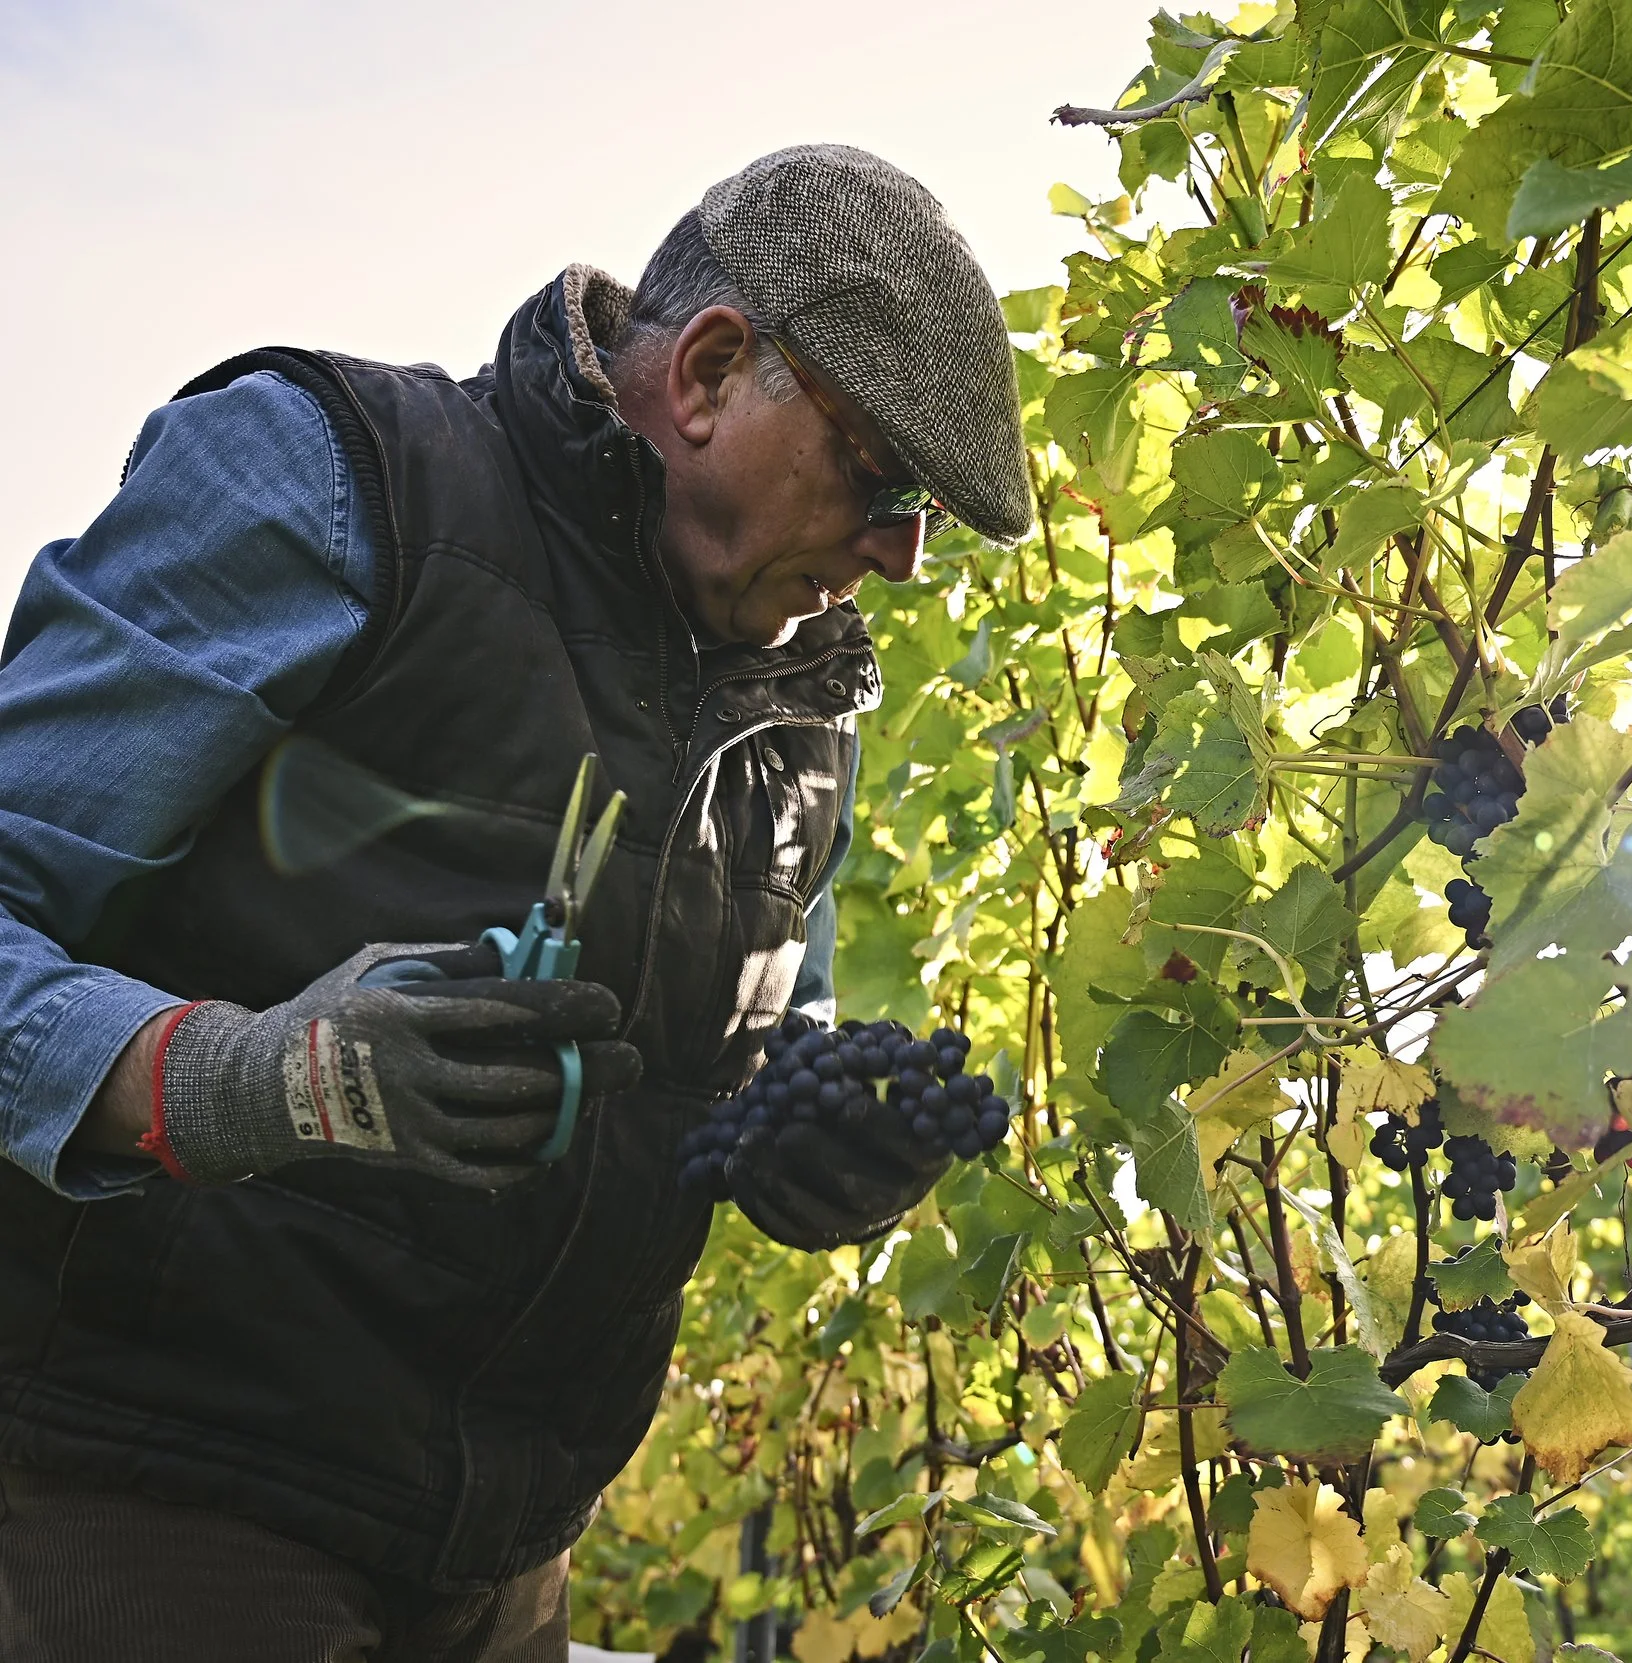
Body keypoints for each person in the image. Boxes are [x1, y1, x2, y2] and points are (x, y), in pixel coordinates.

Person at [0, 144, 1030, 1660]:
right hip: (162, 1502)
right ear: (710, 371)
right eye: (880, 479)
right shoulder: (344, 480)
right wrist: (235, 1077)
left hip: (504, 1568)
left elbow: (750, 1038)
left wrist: (812, 1143)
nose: (900, 555)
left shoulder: (802, 709)